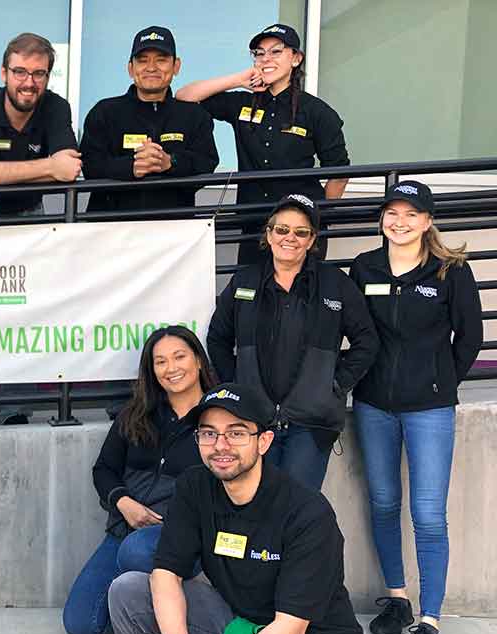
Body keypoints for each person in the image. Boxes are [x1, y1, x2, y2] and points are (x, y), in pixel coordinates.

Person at [107, 383, 363, 634]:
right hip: (241, 628)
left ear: (264, 440)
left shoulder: (306, 512)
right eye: (208, 433)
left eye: (236, 432)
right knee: (129, 592)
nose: (220, 444)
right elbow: (166, 574)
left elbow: (289, 632)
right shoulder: (196, 488)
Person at [348, 181, 482, 634]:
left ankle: (429, 624)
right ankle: (396, 597)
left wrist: (439, 382)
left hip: (429, 408)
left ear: (428, 221)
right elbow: (356, 332)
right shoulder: (364, 267)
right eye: (391, 213)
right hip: (373, 405)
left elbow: (469, 338)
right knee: (384, 503)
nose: (399, 222)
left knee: (428, 514)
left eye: (411, 214)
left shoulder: (451, 270)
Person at [206, 193, 377, 491]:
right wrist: (235, 384)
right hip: (253, 422)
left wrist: (334, 385)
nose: (290, 238)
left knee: (298, 508)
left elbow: (367, 340)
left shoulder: (335, 283)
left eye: (301, 232)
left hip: (311, 425)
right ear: (269, 234)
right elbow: (218, 338)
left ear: (312, 240)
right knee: (256, 505)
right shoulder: (244, 281)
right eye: (282, 230)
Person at [0, 32, 81, 427]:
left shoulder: (56, 108)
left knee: (23, 315)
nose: (29, 83)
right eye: (20, 72)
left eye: (39, 74)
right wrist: (44, 167)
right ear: (4, 71)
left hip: (29, 218)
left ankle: (16, 408)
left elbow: (71, 170)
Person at [62, 326, 214, 634]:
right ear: (152, 370)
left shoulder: (218, 419)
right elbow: (104, 469)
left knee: (137, 550)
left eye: (179, 357)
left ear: (199, 360)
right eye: (160, 362)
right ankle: (151, 606)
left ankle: (178, 608)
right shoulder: (137, 414)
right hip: (124, 533)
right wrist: (123, 502)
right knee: (80, 625)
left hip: (181, 538)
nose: (171, 368)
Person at [175, 24, 348, 265]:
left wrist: (318, 217)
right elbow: (184, 97)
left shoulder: (317, 111)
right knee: (250, 294)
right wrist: (238, 79)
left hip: (299, 227)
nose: (266, 58)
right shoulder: (242, 103)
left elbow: (338, 173)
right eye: (259, 53)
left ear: (296, 58)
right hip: (253, 222)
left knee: (300, 297)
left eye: (276, 51)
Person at [80, 25, 218, 212]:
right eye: (142, 61)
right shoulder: (105, 112)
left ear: (176, 66)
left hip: (176, 229)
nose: (151, 68)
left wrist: (170, 162)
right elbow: (89, 166)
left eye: (161, 60)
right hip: (110, 229)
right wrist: (131, 166)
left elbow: (207, 163)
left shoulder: (194, 115)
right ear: (131, 68)